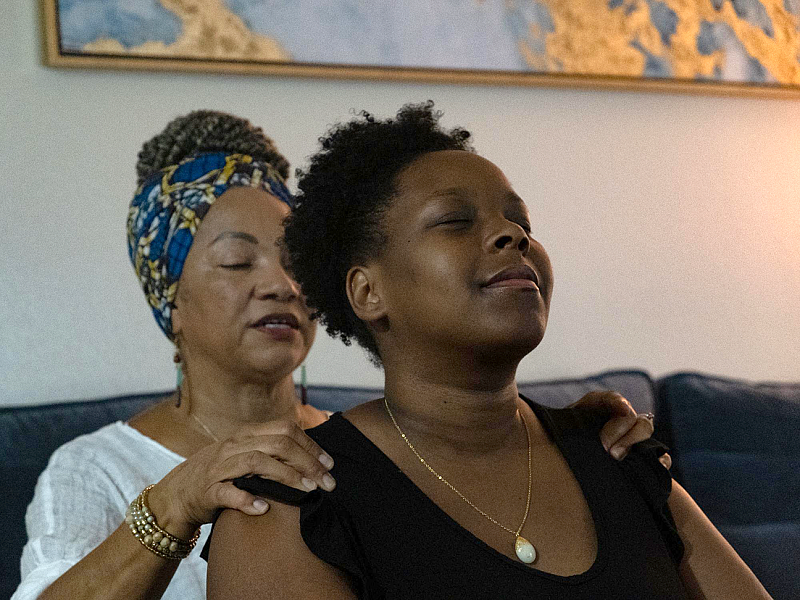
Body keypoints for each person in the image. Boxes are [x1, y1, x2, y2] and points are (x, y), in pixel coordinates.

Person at [13, 110, 654, 600]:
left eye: (295, 263)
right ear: (170, 303)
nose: (280, 284)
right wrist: (176, 502)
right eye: (238, 262)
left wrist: (561, 441)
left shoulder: (366, 449)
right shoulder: (93, 470)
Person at [205, 103, 772, 599]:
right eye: (454, 221)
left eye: (520, 222)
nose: (514, 236)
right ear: (367, 291)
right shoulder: (288, 504)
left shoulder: (619, 459)